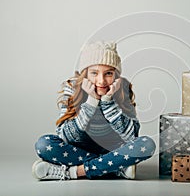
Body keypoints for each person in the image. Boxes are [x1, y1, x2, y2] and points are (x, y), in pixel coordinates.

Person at [32, 41, 156, 180]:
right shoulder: (72, 88)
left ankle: (71, 172)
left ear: (115, 75)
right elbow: (65, 137)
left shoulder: (122, 88)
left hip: (114, 150)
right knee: (44, 144)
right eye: (94, 73)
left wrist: (108, 102)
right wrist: (91, 102)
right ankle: (115, 168)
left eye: (108, 73)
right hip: (78, 151)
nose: (101, 81)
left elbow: (131, 137)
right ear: (85, 74)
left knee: (147, 144)